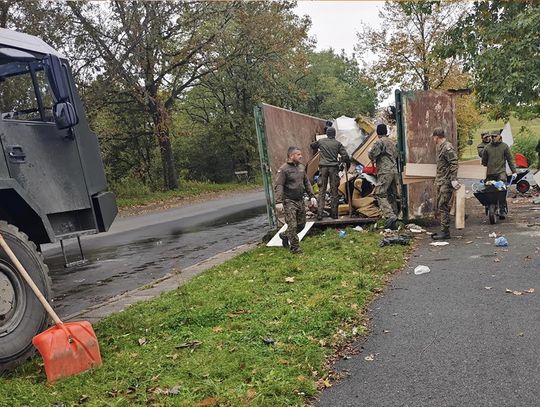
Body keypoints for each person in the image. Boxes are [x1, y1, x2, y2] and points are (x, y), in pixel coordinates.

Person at [274, 146, 317, 254]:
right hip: (289, 201)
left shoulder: (301, 167)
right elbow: (279, 185)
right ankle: (296, 249)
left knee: (301, 225)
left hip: (300, 200)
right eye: (298, 154)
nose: (301, 156)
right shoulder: (284, 169)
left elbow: (306, 182)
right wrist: (278, 202)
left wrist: (312, 196)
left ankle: (284, 235)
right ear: (291, 156)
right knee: (292, 225)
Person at [310, 127, 350, 220]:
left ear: (327, 134)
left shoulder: (321, 141)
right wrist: (344, 163)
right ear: (334, 134)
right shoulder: (338, 144)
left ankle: (319, 214)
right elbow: (345, 156)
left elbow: (312, 145)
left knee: (322, 191)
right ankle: (334, 214)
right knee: (334, 191)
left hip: (323, 168)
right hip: (333, 168)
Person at [368, 123, 400, 230]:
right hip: (394, 171)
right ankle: (395, 218)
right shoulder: (392, 142)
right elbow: (396, 155)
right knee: (391, 194)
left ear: (378, 133)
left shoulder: (379, 142)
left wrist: (370, 152)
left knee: (379, 193)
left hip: (385, 171)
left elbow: (372, 155)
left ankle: (390, 216)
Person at [432, 128, 460, 240]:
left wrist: (453, 179)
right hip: (442, 181)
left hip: (446, 182)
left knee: (443, 206)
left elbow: (454, 162)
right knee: (442, 206)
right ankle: (444, 231)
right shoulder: (442, 148)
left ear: (437, 137)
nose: (433, 139)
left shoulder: (447, 148)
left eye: (434, 137)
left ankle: (445, 232)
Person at [481, 131, 517, 218]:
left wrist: (514, 171)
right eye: (492, 136)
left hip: (501, 173)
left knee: (502, 190)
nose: (493, 138)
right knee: (489, 190)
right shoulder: (487, 148)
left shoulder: (504, 146)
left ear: (499, 136)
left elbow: (510, 160)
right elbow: (484, 162)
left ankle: (501, 209)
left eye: (495, 136)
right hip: (490, 173)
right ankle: (490, 206)